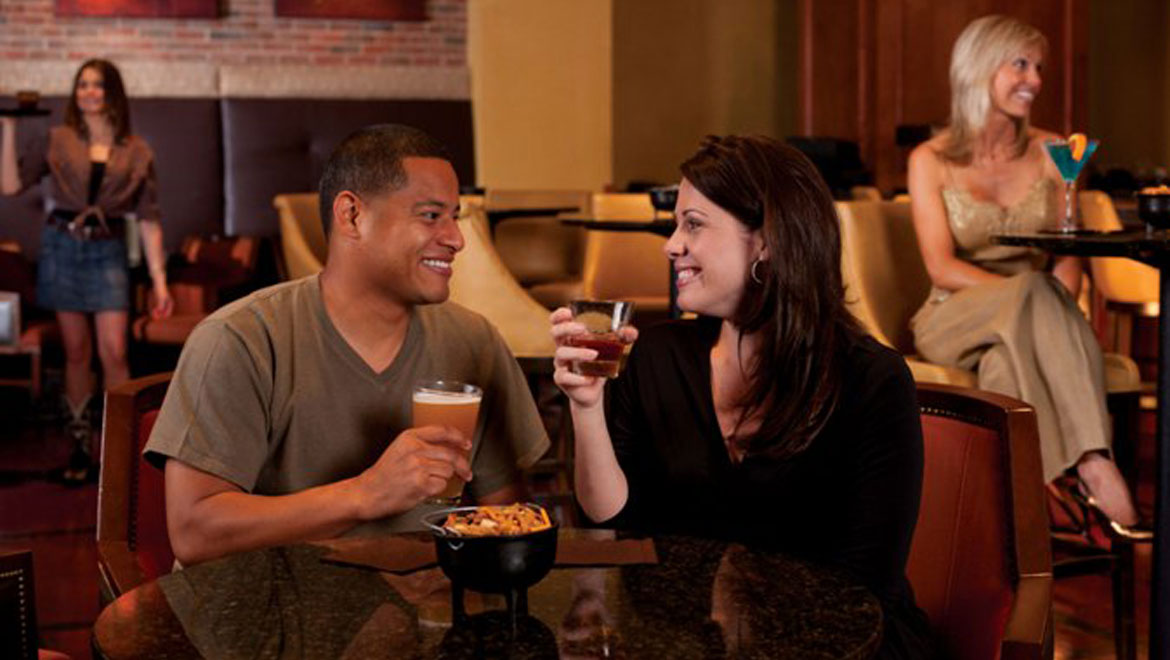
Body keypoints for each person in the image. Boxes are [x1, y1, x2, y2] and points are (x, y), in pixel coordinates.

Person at [552, 135, 932, 658]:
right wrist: (587, 407)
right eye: (676, 224)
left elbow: (867, 586)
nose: (671, 244)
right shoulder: (657, 356)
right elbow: (611, 524)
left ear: (768, 241)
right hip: (688, 642)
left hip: (841, 645)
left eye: (694, 224)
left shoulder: (871, 380)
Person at [144, 124, 549, 566]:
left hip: (427, 620)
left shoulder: (474, 340)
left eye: (455, 216)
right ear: (352, 215)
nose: (456, 239)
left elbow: (504, 521)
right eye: (431, 216)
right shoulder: (241, 339)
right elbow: (194, 533)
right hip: (265, 621)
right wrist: (365, 494)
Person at [906, 15, 1142, 531]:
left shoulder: (1054, 150)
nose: (1034, 79)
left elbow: (1068, 255)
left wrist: (1045, 301)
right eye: (1020, 64)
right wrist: (1033, 294)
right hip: (953, 316)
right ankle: (1094, 463)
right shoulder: (931, 158)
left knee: (1002, 368)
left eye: (1038, 67)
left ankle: (1029, 522)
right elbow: (940, 267)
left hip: (1035, 319)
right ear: (979, 68)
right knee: (1035, 291)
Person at [0, 59, 172, 483]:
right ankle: (79, 445)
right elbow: (8, 185)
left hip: (109, 250)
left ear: (112, 92)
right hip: (62, 248)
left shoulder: (137, 150)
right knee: (76, 353)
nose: (89, 92)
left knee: (114, 352)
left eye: (97, 85)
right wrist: (7, 128)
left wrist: (160, 281)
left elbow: (149, 219)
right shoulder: (55, 139)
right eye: (82, 85)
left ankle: (122, 450)